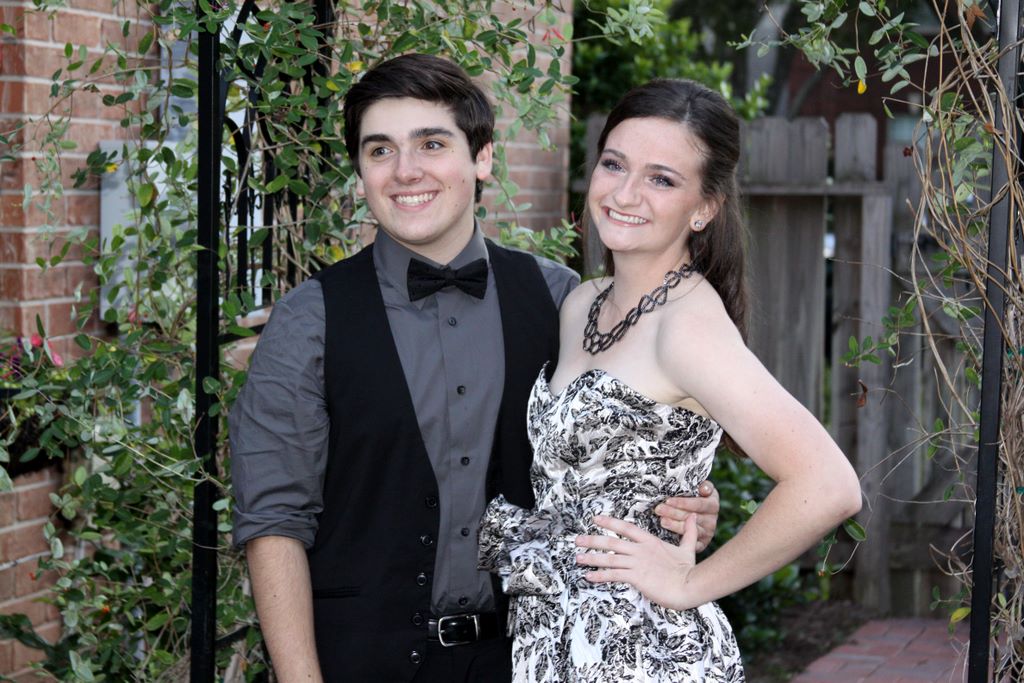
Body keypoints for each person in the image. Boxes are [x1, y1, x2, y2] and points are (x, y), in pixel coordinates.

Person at [229, 54, 722, 683]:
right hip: (360, 662)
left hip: (530, 658)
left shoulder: (563, 302)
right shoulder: (307, 320)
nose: (405, 171)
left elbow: (613, 458)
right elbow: (274, 521)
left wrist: (675, 503)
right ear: (360, 171)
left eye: (432, 144)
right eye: (380, 150)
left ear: (482, 157)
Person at [478, 78, 863, 681]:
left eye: (661, 179)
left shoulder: (687, 326)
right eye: (614, 164)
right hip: (557, 637)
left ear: (704, 207)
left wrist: (690, 582)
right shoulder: (583, 302)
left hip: (642, 647)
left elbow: (829, 484)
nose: (625, 193)